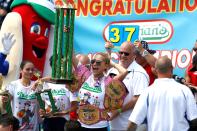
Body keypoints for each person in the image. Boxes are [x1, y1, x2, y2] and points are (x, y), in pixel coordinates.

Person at [127, 56, 197, 131]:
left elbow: (133, 122)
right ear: (172, 68)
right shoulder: (184, 90)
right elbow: (194, 119)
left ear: (156, 70)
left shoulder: (147, 92)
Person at [73, 52, 128, 131]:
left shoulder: (108, 82)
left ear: (105, 65)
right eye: (93, 62)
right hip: (81, 124)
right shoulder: (86, 75)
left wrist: (112, 63)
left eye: (98, 62)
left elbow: (124, 72)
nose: (94, 64)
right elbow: (72, 55)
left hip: (99, 127)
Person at [106, 41, 149, 131]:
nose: (122, 55)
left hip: (130, 125)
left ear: (134, 56)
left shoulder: (140, 73)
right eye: (120, 52)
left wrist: (118, 111)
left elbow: (138, 99)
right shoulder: (113, 69)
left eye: (126, 53)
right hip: (113, 124)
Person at [4, 60, 40, 131]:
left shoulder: (37, 85)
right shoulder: (13, 85)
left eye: (32, 70)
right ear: (21, 70)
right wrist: (5, 98)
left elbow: (42, 104)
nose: (30, 72)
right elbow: (6, 100)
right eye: (27, 69)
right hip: (16, 126)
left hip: (33, 127)